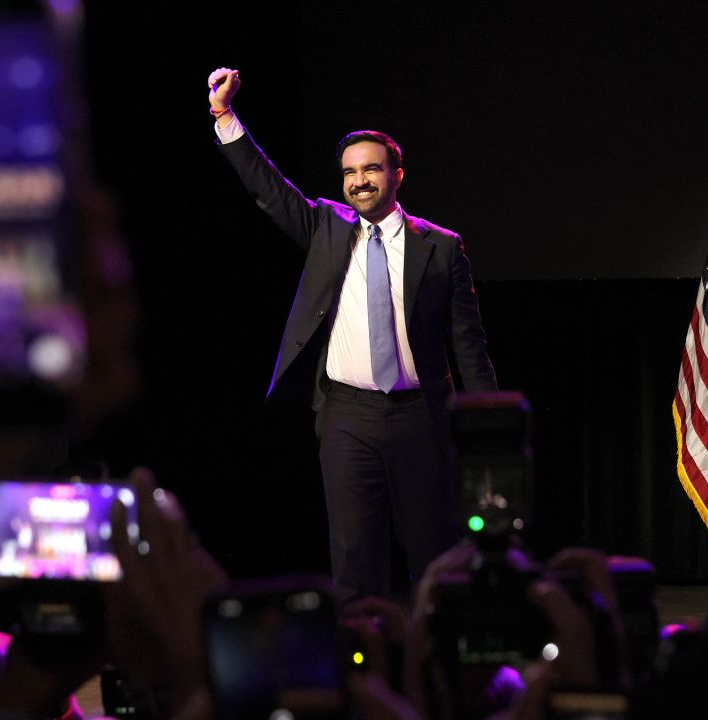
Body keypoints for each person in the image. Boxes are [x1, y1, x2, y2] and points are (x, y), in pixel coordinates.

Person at [207, 68, 498, 604]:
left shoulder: (441, 247)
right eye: (348, 173)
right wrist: (226, 118)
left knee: (431, 555)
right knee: (354, 556)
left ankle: (428, 673)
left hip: (419, 415)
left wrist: (487, 433)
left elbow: (469, 346)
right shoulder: (326, 226)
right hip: (346, 417)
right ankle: (362, 674)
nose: (358, 181)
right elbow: (269, 191)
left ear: (397, 175)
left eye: (370, 170)